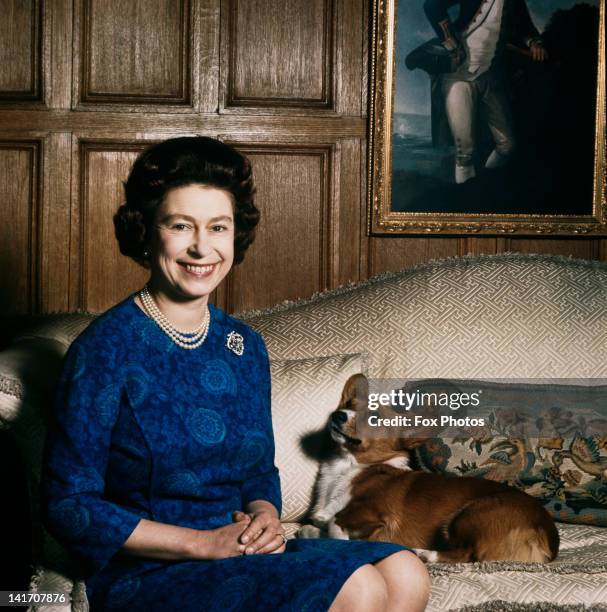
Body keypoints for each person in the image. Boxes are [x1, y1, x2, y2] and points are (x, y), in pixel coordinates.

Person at [41, 136, 431, 611]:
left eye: (218, 228)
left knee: (405, 571)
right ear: (146, 231)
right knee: (360, 587)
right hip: (150, 570)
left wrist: (265, 515)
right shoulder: (103, 350)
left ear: (235, 235)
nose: (202, 248)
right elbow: (68, 505)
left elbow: (257, 472)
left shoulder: (244, 346)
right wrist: (200, 544)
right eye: (181, 225)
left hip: (238, 549)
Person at [423, 0, 548, 183]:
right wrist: (451, 44)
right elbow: (432, 6)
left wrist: (534, 43)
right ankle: (466, 197)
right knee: (465, 154)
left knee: (507, 146)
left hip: (490, 76)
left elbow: (524, 26)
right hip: (458, 76)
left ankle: (488, 182)